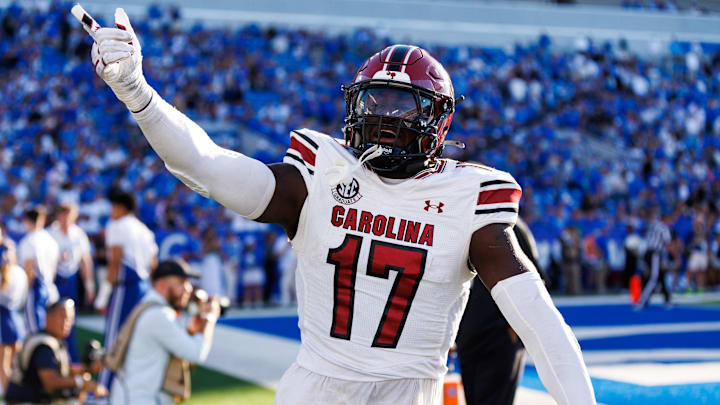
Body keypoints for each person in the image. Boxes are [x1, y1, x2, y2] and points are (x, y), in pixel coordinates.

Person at [74, 8, 595, 405]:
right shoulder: (319, 176)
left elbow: (539, 322)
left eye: (403, 106)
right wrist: (137, 92)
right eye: (374, 102)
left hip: (405, 392)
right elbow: (209, 167)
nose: (385, 119)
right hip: (316, 388)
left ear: (438, 123)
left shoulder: (467, 199)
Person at [455, 217, 541, 405]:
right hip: (469, 334)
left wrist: (516, 327)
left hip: (499, 334)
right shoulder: (463, 221)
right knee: (475, 398)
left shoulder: (512, 227)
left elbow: (534, 282)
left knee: (496, 399)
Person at [108, 259, 220, 405]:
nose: (188, 289)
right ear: (162, 285)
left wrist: (191, 331)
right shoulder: (159, 315)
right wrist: (209, 317)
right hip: (139, 399)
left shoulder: (152, 308)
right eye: (182, 282)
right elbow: (195, 353)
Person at [96, 188, 158, 389]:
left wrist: (102, 297)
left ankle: (105, 388)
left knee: (114, 338)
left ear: (120, 207)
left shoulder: (118, 226)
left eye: (113, 207)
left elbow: (115, 262)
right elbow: (153, 264)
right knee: (138, 339)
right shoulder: (144, 230)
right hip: (144, 286)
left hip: (126, 287)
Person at [4, 299, 107, 403]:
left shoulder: (55, 341)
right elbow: (50, 381)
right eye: (62, 317)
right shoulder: (44, 344)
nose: (66, 323)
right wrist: (81, 382)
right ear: (48, 317)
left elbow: (62, 369)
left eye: (70, 319)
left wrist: (86, 369)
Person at [48, 203, 96, 361]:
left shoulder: (78, 234)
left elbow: (85, 260)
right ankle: (51, 355)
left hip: (71, 280)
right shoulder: (51, 233)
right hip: (55, 279)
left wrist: (89, 285)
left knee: (69, 319)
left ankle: (70, 357)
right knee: (52, 317)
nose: (66, 219)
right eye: (63, 215)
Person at [17, 206, 60, 334]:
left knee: (34, 332)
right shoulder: (51, 240)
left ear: (27, 221)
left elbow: (29, 270)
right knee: (50, 328)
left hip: (35, 289)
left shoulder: (29, 241)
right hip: (51, 288)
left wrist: (22, 295)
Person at [0, 229, 27, 393]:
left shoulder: (7, 275)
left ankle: (9, 395)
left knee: (3, 363)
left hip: (3, 320)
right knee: (15, 363)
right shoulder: (20, 272)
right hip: (16, 319)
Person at [636, 210, 672, 309]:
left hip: (648, 252)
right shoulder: (664, 228)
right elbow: (667, 244)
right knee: (654, 278)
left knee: (660, 276)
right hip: (655, 254)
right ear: (665, 219)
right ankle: (642, 301)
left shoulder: (654, 225)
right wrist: (673, 257)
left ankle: (667, 300)